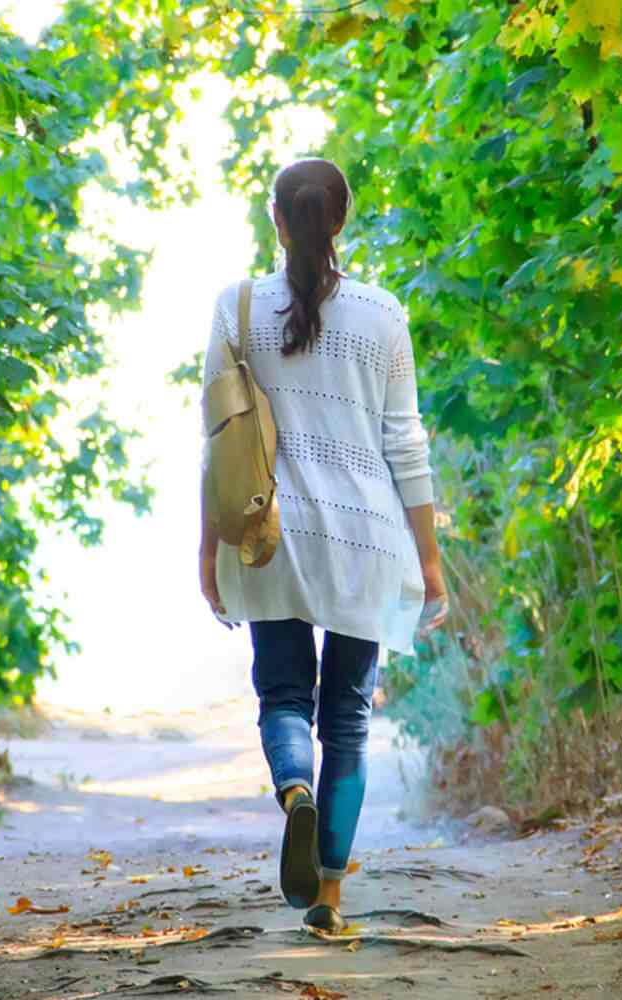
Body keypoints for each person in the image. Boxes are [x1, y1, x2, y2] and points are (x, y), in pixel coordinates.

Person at [199, 158, 447, 933]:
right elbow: (406, 445)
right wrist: (430, 562)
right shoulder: (384, 315)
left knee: (281, 697)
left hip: (272, 537)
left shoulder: (236, 309)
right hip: (365, 542)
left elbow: (219, 440)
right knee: (346, 718)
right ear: (339, 220)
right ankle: (329, 900)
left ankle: (293, 792)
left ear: (277, 219)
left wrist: (207, 550)